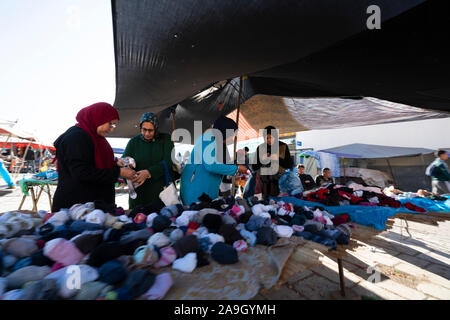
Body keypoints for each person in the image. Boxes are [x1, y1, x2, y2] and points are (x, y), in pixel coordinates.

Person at [52, 102, 136, 212]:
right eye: (110, 124)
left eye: (114, 125)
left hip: (93, 206)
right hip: (76, 208)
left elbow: (94, 162)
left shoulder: (95, 138)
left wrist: (115, 163)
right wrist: (118, 172)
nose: (112, 129)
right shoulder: (76, 138)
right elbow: (81, 172)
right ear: (98, 118)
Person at [180, 116, 248, 205]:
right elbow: (211, 165)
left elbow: (221, 165)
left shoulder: (219, 144)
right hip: (195, 189)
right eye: (232, 135)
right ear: (224, 131)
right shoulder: (206, 139)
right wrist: (236, 168)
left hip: (209, 190)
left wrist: (234, 167)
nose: (232, 138)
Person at [122, 112, 175, 209]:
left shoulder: (166, 139)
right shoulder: (133, 142)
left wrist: (148, 172)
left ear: (156, 128)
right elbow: (124, 162)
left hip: (160, 193)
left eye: (150, 130)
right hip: (138, 194)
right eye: (144, 130)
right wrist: (128, 170)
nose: (146, 133)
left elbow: (169, 161)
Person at [252, 125, 293, 198]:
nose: (268, 140)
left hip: (280, 184)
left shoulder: (283, 146)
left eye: (271, 137)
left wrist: (277, 158)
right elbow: (254, 167)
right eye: (266, 138)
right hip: (264, 185)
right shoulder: (260, 148)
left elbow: (289, 164)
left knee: (279, 204)